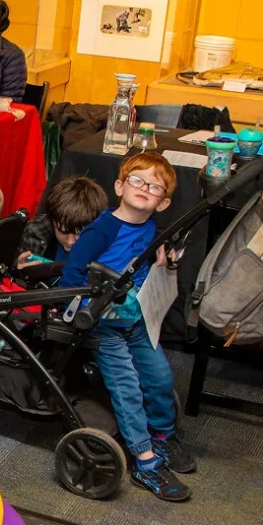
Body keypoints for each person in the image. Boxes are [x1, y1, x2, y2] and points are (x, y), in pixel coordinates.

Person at [61, 152, 193, 502]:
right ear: (120, 186)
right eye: (137, 180)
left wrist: (168, 257)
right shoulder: (102, 230)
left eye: (154, 187)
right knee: (128, 388)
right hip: (104, 325)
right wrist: (83, 310)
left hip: (137, 321)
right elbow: (71, 275)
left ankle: (162, 436)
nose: (144, 188)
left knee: (161, 378)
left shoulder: (151, 230)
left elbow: (153, 260)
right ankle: (145, 461)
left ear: (163, 203)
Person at [17, 176, 107, 268]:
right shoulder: (37, 232)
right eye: (64, 232)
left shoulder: (107, 237)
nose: (70, 242)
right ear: (53, 220)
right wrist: (20, 272)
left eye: (79, 234)